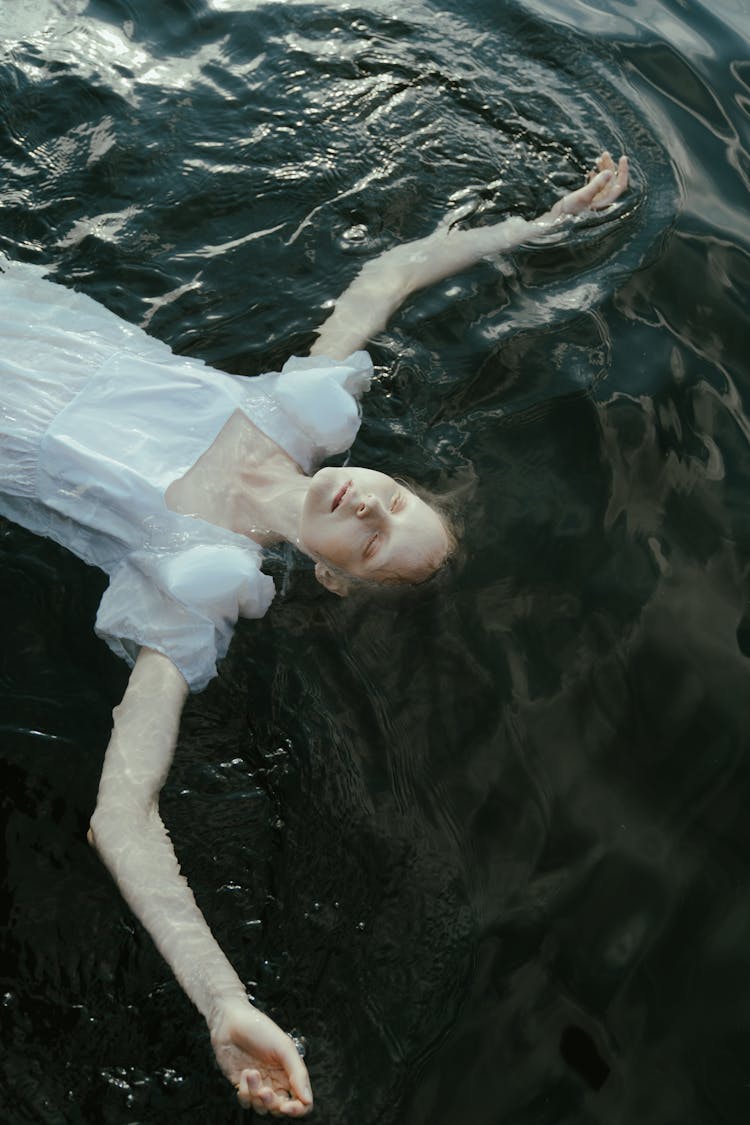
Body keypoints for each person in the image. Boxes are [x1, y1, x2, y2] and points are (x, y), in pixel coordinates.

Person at [0, 151, 628, 1116]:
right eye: (397, 499)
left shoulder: (191, 590)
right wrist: (539, 227)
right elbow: (389, 276)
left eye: (373, 540)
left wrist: (223, 1001)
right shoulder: (295, 413)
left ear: (333, 574)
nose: (372, 504)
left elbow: (121, 814)